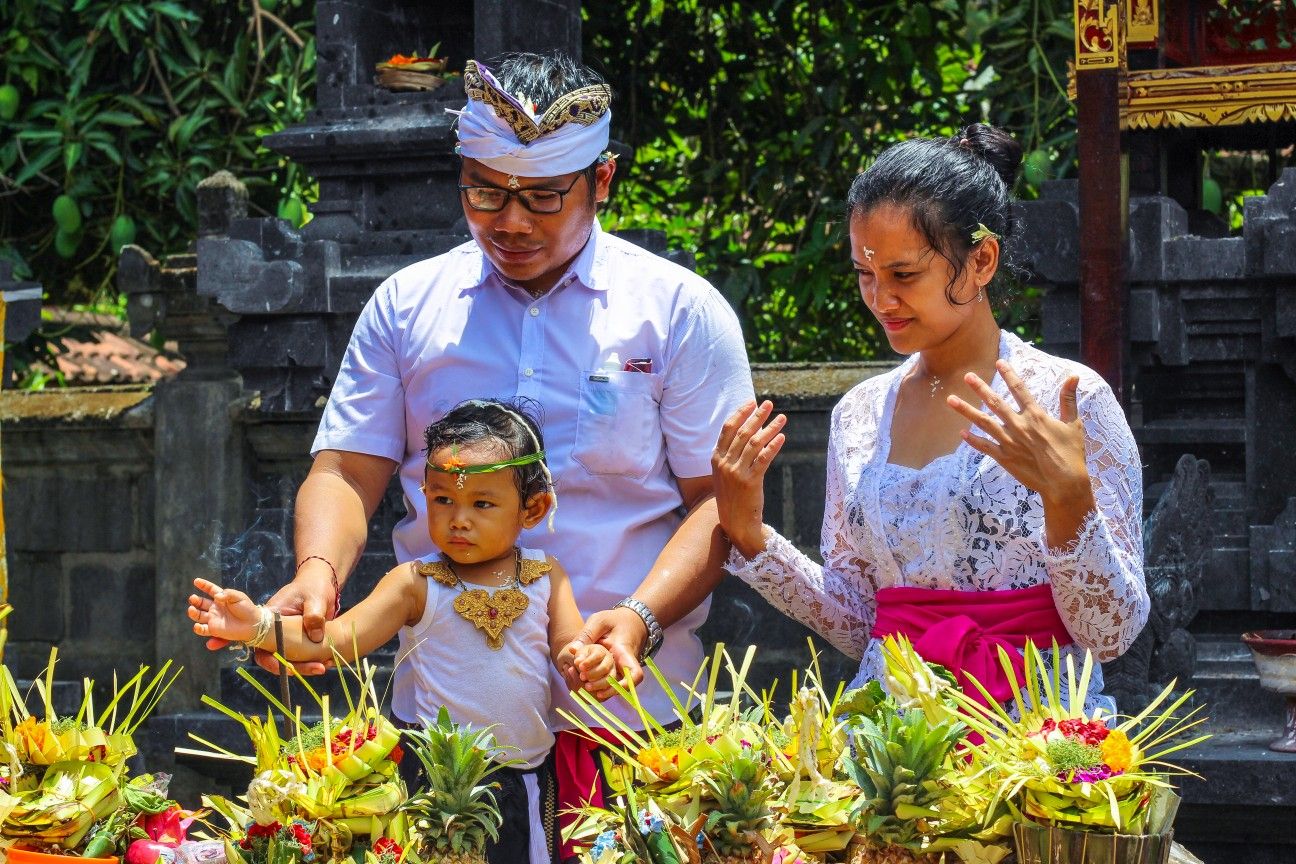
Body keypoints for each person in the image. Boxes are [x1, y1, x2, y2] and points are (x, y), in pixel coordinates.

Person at [204, 51, 754, 861]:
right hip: (448, 730)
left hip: (631, 716)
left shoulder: (675, 311)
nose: (512, 222)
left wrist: (639, 619)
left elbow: (717, 501)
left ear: (601, 182)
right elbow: (348, 470)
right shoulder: (410, 306)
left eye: (541, 197)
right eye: (485, 192)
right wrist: (318, 573)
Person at [712, 124, 1149, 715]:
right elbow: (863, 622)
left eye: (903, 275)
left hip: (1035, 745)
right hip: (893, 747)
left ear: (980, 261)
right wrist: (752, 537)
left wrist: (1068, 500)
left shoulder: (1067, 399)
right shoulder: (860, 415)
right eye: (865, 274)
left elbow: (1111, 636)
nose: (879, 299)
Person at [189, 399, 615, 864]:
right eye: (443, 499)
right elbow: (335, 639)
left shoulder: (545, 576)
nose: (459, 519)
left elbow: (568, 650)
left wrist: (589, 661)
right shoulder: (415, 583)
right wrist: (258, 626)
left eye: (482, 503)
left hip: (530, 780)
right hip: (434, 793)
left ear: (533, 509)